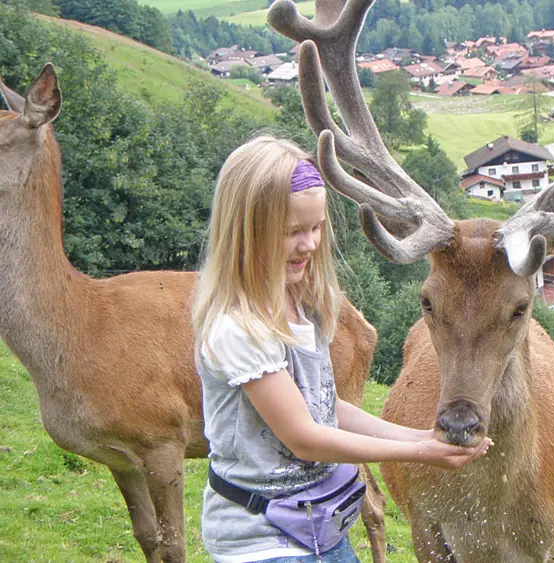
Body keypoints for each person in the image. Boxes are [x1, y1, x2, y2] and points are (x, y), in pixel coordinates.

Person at [191, 136, 491, 563]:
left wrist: (424, 436)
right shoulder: (238, 329)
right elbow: (305, 438)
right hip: (263, 542)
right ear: (245, 229)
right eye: (292, 232)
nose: (310, 244)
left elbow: (323, 407)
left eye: (316, 228)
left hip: (319, 527)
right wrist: (419, 452)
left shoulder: (302, 304)